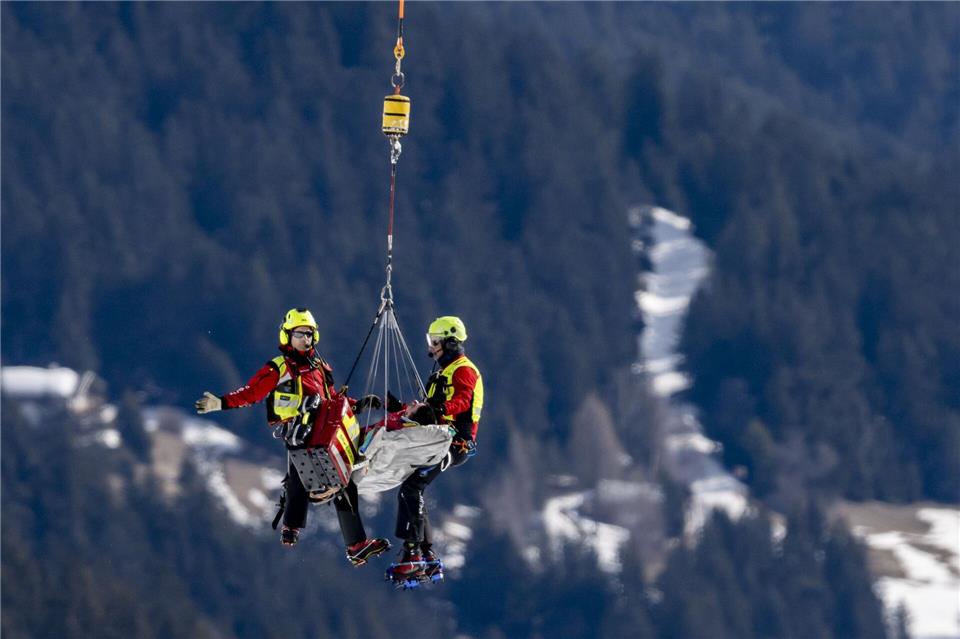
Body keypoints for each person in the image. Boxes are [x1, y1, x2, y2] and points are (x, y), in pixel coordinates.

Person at [194, 308, 390, 565]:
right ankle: (295, 527)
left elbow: (332, 399)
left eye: (309, 334)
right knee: (308, 467)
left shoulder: (319, 367)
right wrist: (221, 403)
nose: (305, 339)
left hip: (323, 431)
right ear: (288, 336)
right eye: (299, 334)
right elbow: (252, 393)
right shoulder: (280, 367)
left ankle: (355, 545)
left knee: (344, 481)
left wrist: (359, 404)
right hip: (298, 431)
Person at [387, 315, 484, 584]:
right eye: (431, 341)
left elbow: (462, 401)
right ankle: (425, 554)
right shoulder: (443, 371)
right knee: (411, 486)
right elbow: (431, 410)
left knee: (412, 487)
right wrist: (402, 409)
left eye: (436, 342)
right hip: (438, 439)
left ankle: (413, 553)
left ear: (451, 343)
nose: (431, 348)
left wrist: (437, 409)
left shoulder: (463, 370)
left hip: (454, 443)